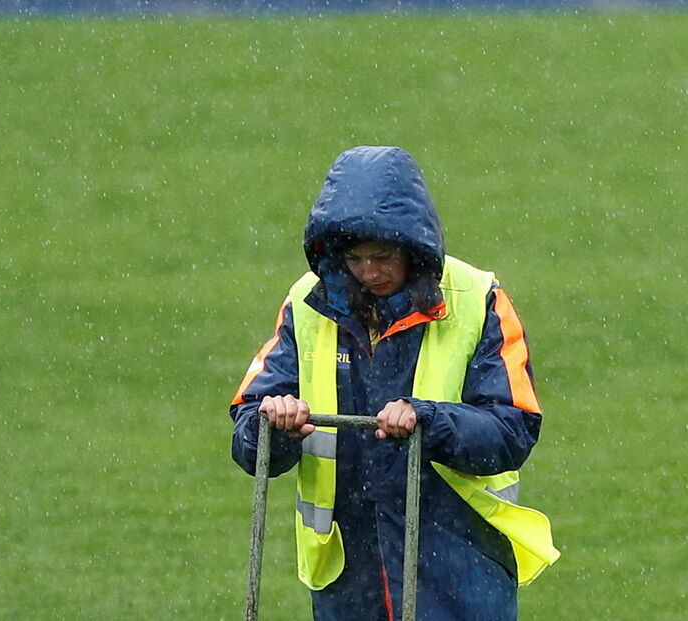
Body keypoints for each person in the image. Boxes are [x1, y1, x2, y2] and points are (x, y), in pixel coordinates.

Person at [230, 146, 559, 621]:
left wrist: (429, 421)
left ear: (413, 247)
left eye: (382, 257)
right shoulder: (306, 303)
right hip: (349, 578)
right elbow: (248, 434)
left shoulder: (478, 299)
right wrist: (274, 426)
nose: (369, 272)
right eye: (355, 258)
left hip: (461, 569)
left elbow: (512, 430)